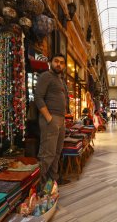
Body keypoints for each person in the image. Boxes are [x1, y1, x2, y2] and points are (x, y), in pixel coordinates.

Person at [34, 53, 69, 187]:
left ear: (64, 66)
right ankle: (39, 186)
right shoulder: (46, 76)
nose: (58, 64)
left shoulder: (60, 80)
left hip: (60, 120)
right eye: (56, 61)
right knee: (47, 154)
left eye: (61, 62)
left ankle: (53, 180)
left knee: (57, 152)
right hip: (51, 119)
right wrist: (49, 118)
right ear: (50, 62)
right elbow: (38, 97)